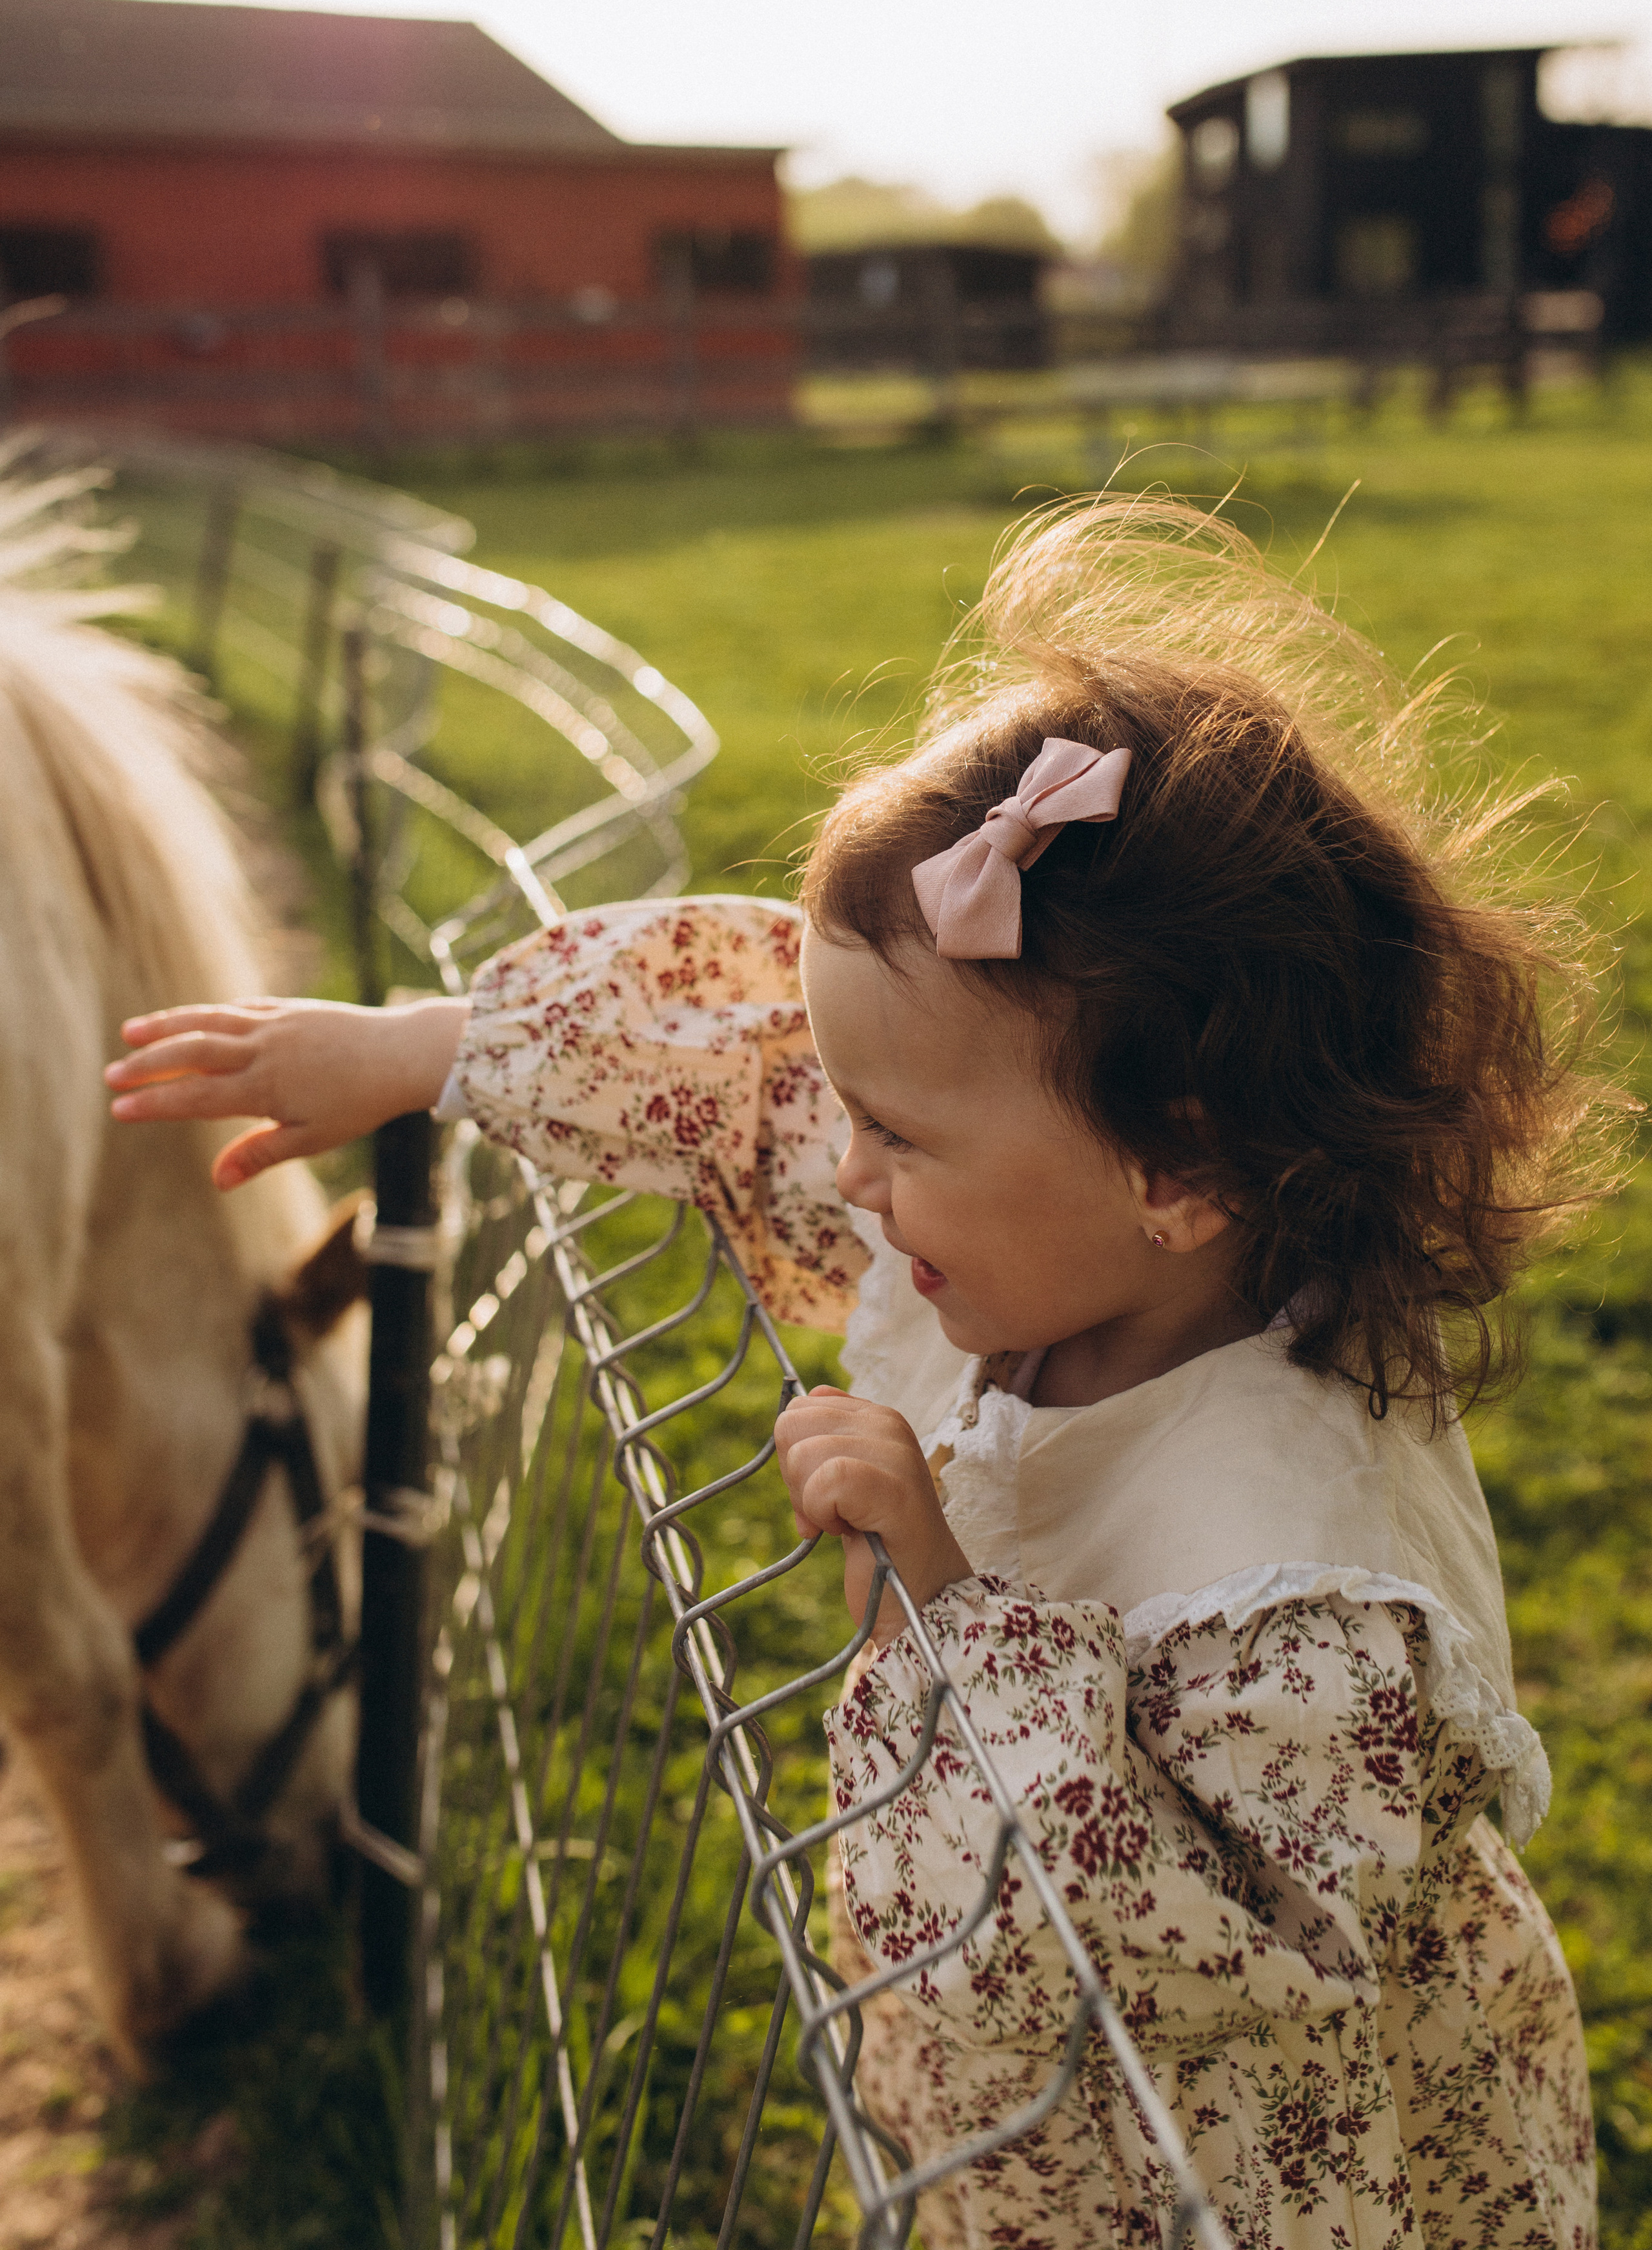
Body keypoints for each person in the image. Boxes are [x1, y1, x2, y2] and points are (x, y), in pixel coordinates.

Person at [106, 499, 1616, 2248]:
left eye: (893, 1134)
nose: (841, 1170)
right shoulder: (1094, 1225)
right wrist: (437, 1050)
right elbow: (759, 1052)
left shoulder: (1299, 1577)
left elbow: (1204, 1967)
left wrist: (947, 1598)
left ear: (1180, 1167)